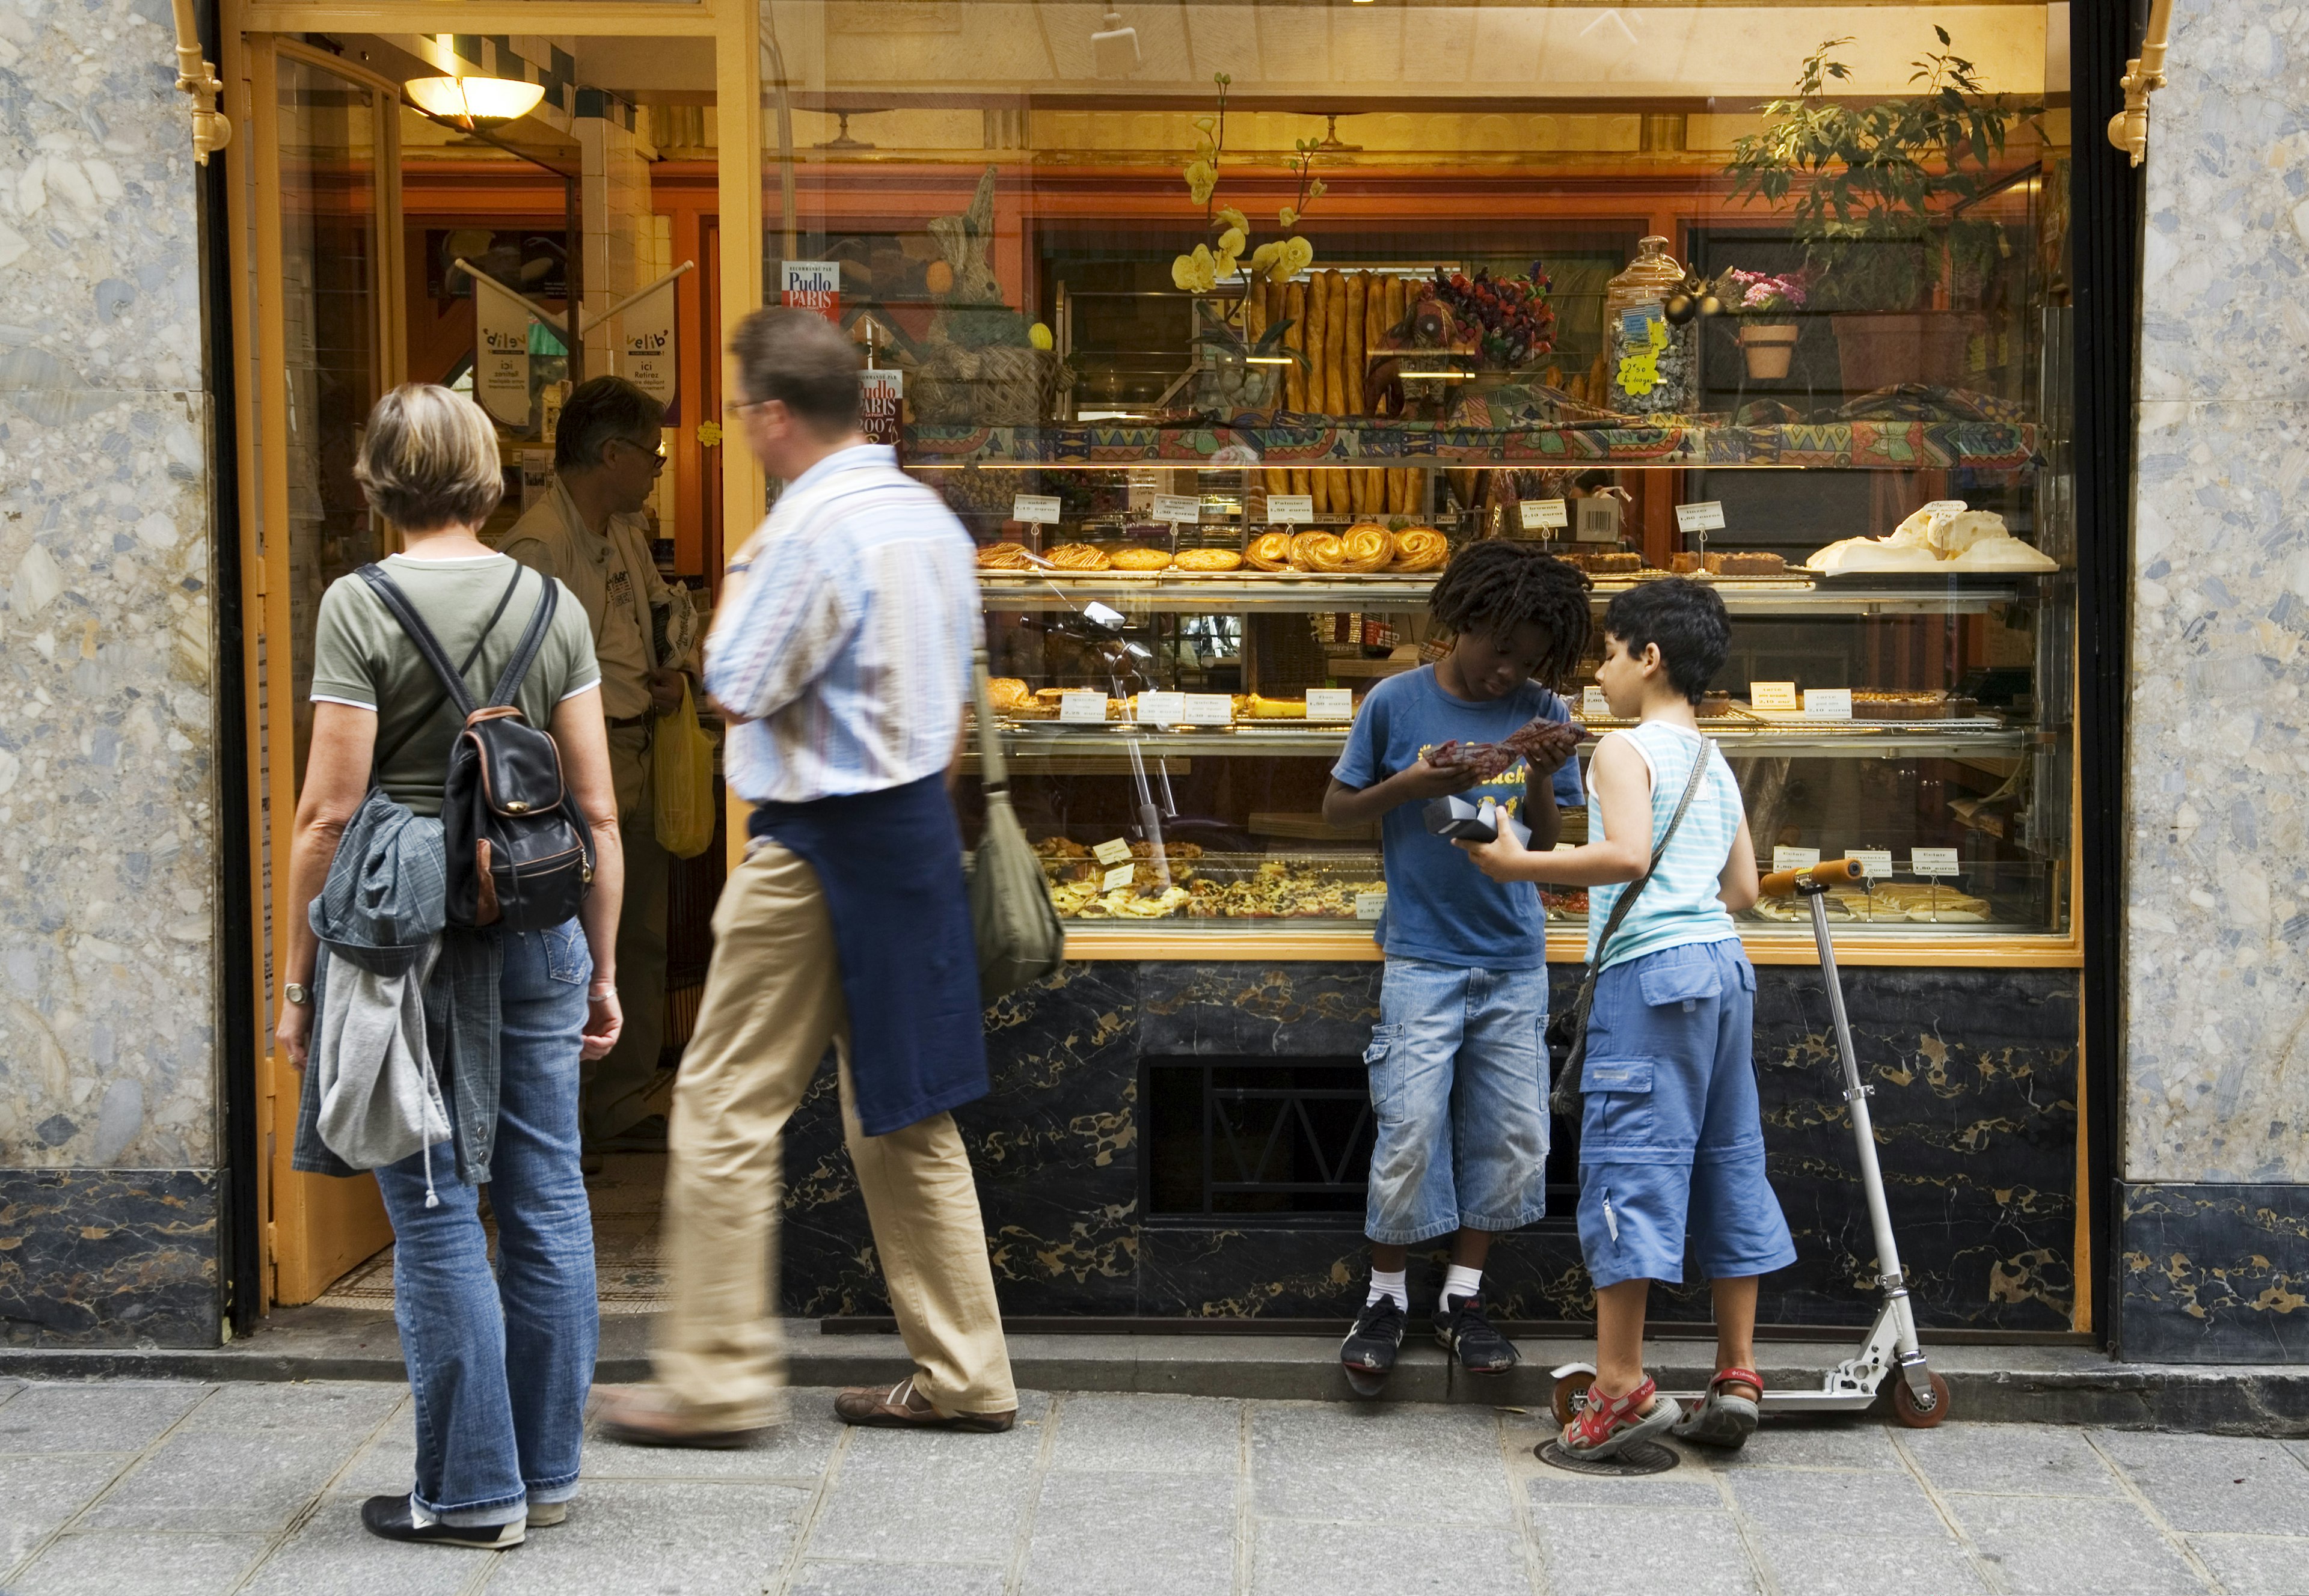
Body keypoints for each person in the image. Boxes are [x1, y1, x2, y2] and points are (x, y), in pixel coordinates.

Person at [599, 307, 1016, 1448]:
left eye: (741, 414)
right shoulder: (927, 519)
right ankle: (968, 1371)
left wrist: (728, 600)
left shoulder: (808, 528)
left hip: (818, 843)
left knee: (726, 1102)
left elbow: (732, 677)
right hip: (916, 836)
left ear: (775, 415)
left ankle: (717, 1380)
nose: (740, 432)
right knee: (905, 1112)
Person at [279, 384, 625, 1545]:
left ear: (374, 481)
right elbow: (597, 815)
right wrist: (605, 970)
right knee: (548, 1199)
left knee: (433, 1209)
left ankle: (474, 1495)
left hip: (403, 938)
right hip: (536, 925)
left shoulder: (357, 604)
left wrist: (295, 984)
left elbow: (327, 817)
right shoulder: (552, 600)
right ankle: (549, 1473)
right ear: (488, 478)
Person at [1460, 576, 1795, 1457]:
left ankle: (1620, 1387)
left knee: (1632, 1164)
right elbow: (1743, 891)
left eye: (1610, 653)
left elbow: (1627, 855)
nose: (1601, 671)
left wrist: (1515, 862)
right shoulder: (1714, 757)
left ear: (1649, 658)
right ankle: (1737, 1370)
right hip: (1724, 969)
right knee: (1729, 1159)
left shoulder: (1622, 750)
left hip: (1652, 979)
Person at [1321, 540, 1592, 1396]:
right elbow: (1336, 811)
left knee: (1512, 1138)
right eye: (1497, 648)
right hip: (1422, 957)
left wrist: (1539, 776)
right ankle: (1387, 1297)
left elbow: (1548, 846)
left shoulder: (1543, 707)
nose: (1506, 672)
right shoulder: (1396, 701)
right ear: (1461, 623)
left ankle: (1464, 1300)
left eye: (1530, 659)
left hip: (1514, 961)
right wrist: (1413, 783)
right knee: (1409, 1132)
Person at [501, 375, 697, 1152]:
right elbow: (515, 683)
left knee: (638, 933)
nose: (656, 467)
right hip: (575, 757)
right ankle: (566, 1115)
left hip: (637, 740)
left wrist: (673, 667)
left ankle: (622, 1098)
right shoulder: (536, 545)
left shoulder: (625, 528)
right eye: (649, 454)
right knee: (573, 936)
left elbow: (659, 606)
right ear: (610, 453)